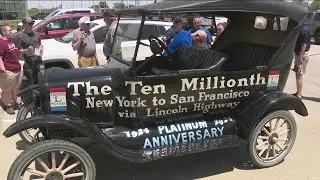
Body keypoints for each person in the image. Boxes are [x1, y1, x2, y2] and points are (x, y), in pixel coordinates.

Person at [0, 24, 24, 114]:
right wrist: (3, 70)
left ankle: (18, 103)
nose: (12, 31)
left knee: (16, 88)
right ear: (3, 32)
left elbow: (15, 53)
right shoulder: (1, 43)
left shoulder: (10, 41)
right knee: (7, 91)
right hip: (8, 71)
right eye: (9, 30)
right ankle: (8, 106)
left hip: (17, 70)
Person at [15, 17, 43, 86]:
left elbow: (40, 44)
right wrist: (26, 51)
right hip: (28, 64)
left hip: (38, 61)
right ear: (24, 25)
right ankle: (32, 96)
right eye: (30, 23)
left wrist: (41, 48)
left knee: (41, 80)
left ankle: (40, 96)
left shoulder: (37, 34)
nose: (32, 25)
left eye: (32, 23)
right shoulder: (20, 37)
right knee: (31, 83)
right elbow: (18, 51)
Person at [292, 24, 311, 99]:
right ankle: (298, 92)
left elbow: (304, 45)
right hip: (299, 54)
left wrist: (300, 56)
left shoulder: (303, 30)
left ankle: (299, 94)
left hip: (302, 55)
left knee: (299, 75)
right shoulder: (301, 28)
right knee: (297, 73)